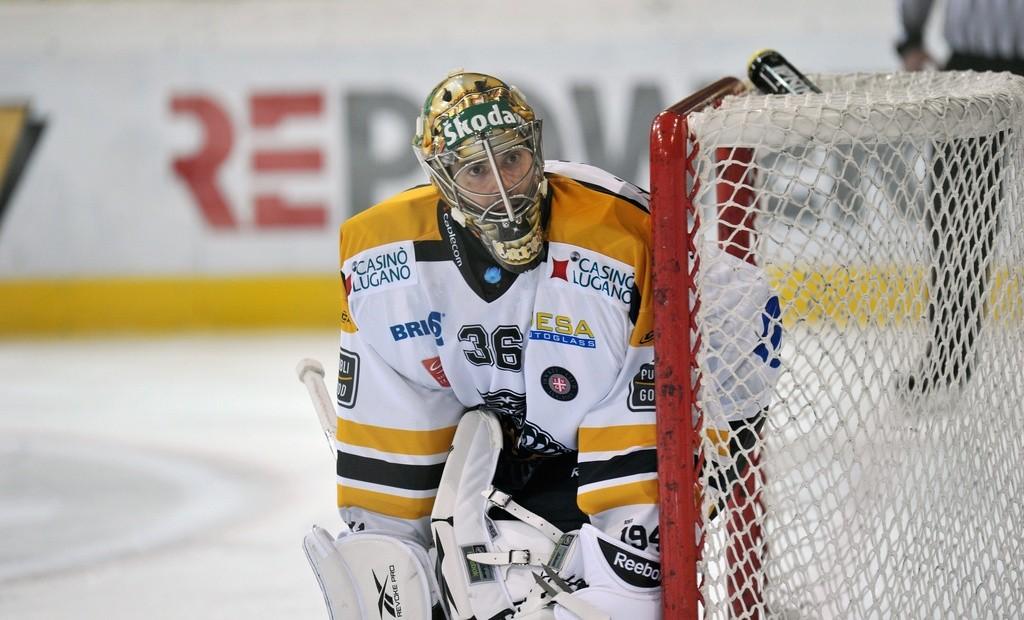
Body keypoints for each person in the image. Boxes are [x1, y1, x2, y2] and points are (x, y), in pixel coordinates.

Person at [301, 70, 783, 620]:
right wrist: (389, 558)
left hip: (624, 436)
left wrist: (707, 458)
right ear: (442, 177)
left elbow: (745, 317)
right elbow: (391, 445)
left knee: (621, 602)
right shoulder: (383, 260)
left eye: (511, 159)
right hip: (506, 454)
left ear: (536, 149)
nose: (504, 189)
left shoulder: (619, 240)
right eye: (478, 170)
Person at [895, 1, 1023, 392]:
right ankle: (948, 360)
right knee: (958, 227)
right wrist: (912, 37)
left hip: (973, 72)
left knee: (959, 226)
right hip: (969, 73)